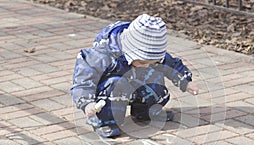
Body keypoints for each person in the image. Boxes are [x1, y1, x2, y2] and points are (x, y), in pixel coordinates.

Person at [70, 14, 199, 138]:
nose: (146, 65)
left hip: (136, 84)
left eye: (152, 62)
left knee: (155, 76)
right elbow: (83, 81)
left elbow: (171, 65)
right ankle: (106, 120)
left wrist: (186, 81)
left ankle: (144, 111)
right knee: (115, 83)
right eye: (142, 62)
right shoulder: (103, 55)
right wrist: (87, 103)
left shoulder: (151, 54)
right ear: (130, 51)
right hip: (110, 92)